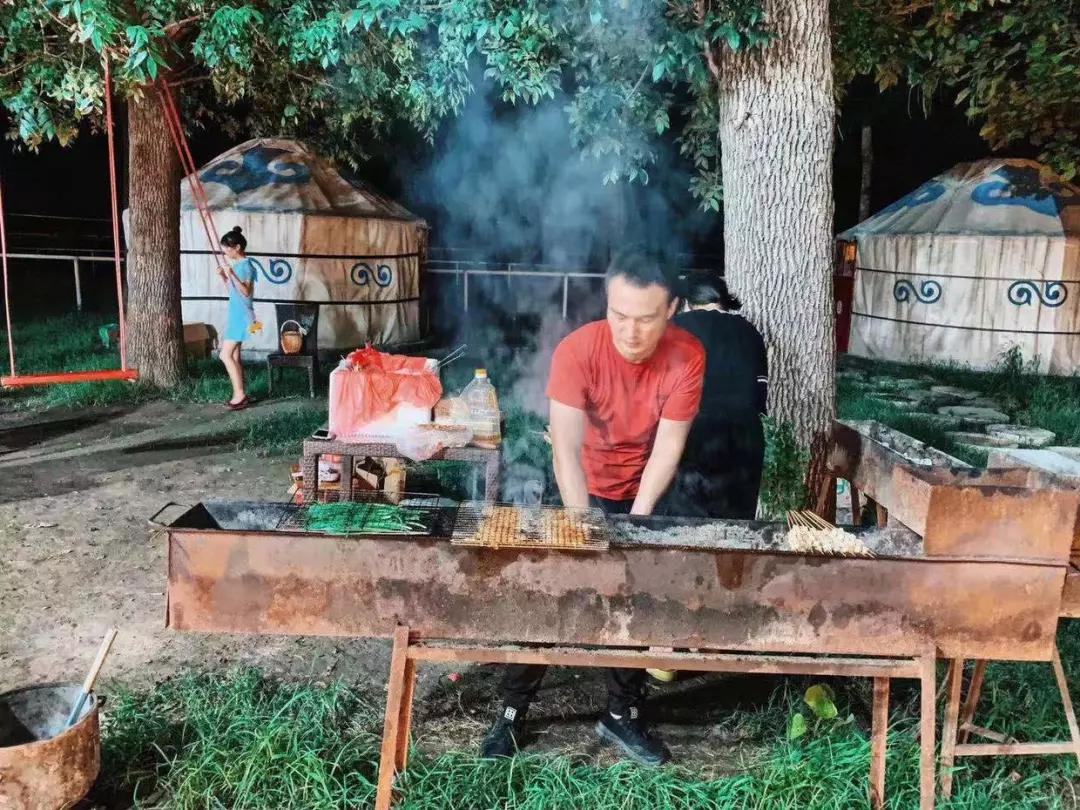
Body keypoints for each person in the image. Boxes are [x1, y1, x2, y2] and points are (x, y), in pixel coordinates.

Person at [480, 252, 705, 766]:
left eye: (645, 318)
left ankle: (621, 713)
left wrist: (637, 522)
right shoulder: (577, 351)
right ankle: (514, 712)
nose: (629, 331)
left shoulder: (688, 355)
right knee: (550, 592)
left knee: (632, 597)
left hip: (642, 487)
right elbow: (564, 448)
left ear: (673, 308)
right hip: (580, 483)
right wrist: (582, 526)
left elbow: (669, 446)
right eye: (618, 314)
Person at [667, 271, 768, 519]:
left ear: (687, 302)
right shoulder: (750, 331)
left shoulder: (675, 329)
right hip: (745, 442)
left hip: (691, 436)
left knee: (682, 526)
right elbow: (759, 398)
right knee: (735, 529)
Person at [218, 226, 257, 411]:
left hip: (242, 315)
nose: (225, 251)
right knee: (234, 355)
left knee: (224, 355)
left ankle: (239, 394)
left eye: (227, 248)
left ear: (238, 247)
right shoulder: (238, 266)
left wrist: (231, 274)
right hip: (237, 312)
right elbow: (234, 291)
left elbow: (246, 291)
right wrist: (224, 278)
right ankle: (241, 393)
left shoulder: (246, 266)